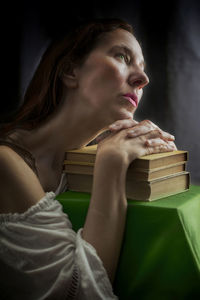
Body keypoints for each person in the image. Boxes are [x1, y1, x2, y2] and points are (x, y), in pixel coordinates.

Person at [0, 18, 176, 299]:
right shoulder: (5, 162)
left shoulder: (77, 167)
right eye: (122, 56)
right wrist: (112, 164)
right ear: (70, 70)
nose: (143, 79)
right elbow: (77, 293)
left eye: (142, 68)